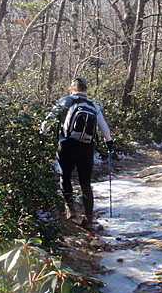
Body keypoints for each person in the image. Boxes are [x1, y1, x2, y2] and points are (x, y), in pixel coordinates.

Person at [41, 77, 113, 228]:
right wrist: (109, 143)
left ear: (71, 89)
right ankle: (88, 217)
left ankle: (70, 208)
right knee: (85, 183)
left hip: (66, 144)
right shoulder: (93, 105)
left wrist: (42, 133)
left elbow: (50, 119)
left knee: (65, 177)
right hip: (87, 147)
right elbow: (103, 127)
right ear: (86, 90)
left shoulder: (65, 101)